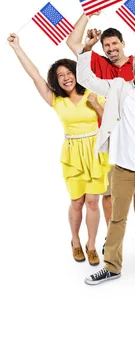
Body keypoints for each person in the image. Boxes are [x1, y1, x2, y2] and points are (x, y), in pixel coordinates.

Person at [7, 33, 110, 266]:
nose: (65, 78)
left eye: (69, 73)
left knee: (93, 201)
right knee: (77, 202)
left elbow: (109, 120)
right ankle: (75, 240)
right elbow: (34, 76)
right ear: (56, 80)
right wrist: (17, 48)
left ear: (77, 73)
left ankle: (91, 244)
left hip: (96, 151)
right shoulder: (56, 99)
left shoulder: (93, 93)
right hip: (73, 154)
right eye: (60, 75)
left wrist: (96, 105)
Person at [78, 30, 135, 288]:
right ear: (132, 65)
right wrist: (87, 48)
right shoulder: (117, 86)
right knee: (117, 219)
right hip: (123, 168)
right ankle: (112, 267)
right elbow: (85, 77)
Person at [66, 14, 135, 250]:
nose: (111, 49)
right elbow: (73, 44)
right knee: (109, 193)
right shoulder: (99, 65)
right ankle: (112, 238)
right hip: (111, 140)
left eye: (115, 44)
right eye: (107, 45)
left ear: (123, 44)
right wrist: (87, 16)